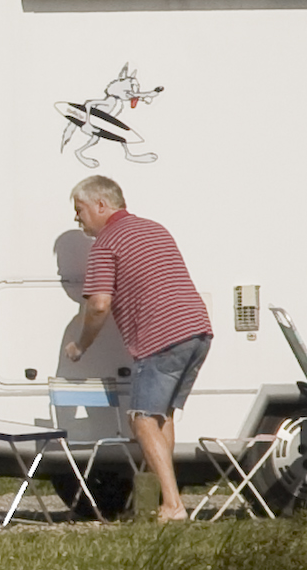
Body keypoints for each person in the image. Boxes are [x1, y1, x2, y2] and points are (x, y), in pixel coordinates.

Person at [60, 173, 210, 523]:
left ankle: (172, 505)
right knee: (161, 417)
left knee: (142, 420)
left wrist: (80, 346)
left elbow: (98, 305)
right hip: (197, 329)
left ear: (102, 204)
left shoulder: (106, 242)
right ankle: (160, 501)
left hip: (161, 336)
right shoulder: (155, 228)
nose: (77, 218)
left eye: (80, 209)